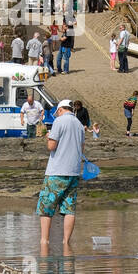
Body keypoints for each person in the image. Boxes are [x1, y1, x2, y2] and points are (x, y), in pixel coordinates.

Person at [37, 99, 86, 248]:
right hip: (73, 171)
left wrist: (48, 137)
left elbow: (52, 146)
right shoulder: (79, 125)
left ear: (59, 110)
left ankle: (44, 241)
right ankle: (66, 243)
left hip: (57, 170)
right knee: (69, 208)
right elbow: (81, 148)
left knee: (46, 207)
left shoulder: (59, 121)